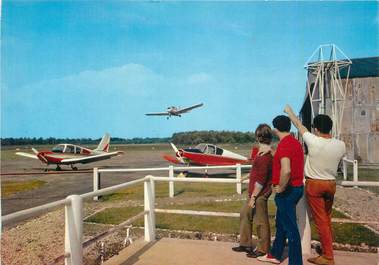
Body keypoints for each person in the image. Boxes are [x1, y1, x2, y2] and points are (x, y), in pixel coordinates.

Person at [284, 105, 346, 265]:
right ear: (330, 127)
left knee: (321, 221)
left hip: (314, 184)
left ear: (316, 129)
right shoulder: (341, 145)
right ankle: (327, 250)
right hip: (331, 184)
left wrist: (289, 112)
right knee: (327, 218)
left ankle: (328, 257)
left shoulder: (313, 141)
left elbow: (299, 125)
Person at [258, 115, 304, 265]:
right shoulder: (294, 143)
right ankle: (276, 254)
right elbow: (287, 159)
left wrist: (281, 188)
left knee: (291, 230)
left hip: (287, 191)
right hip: (297, 188)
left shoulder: (284, 145)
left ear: (275, 129)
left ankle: (296, 262)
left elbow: (286, 171)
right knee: (282, 224)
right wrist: (272, 151)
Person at [232, 124, 273, 258]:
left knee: (261, 221)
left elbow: (261, 181)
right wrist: (245, 177)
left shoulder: (264, 157)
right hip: (254, 192)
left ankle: (263, 249)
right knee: (245, 213)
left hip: (259, 194)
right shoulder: (262, 153)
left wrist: (253, 197)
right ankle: (245, 244)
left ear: (258, 137)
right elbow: (256, 172)